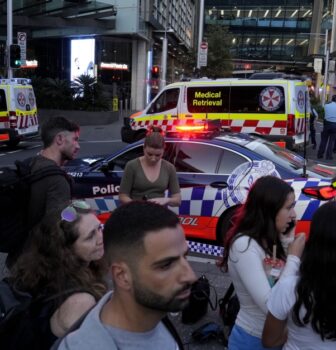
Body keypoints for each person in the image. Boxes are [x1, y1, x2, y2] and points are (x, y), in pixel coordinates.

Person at [56, 201, 197, 350]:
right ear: (122, 276)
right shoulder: (82, 330)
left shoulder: (154, 312)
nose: (191, 276)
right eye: (166, 265)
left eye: (185, 257)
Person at [3, 200, 108, 349]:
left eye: (99, 228)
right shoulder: (80, 301)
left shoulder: (38, 270)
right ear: (67, 250)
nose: (100, 238)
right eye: (90, 236)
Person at [219, 176, 305, 350]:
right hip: (252, 338)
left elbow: (291, 284)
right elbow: (271, 306)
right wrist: (294, 258)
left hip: (281, 336)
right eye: (289, 208)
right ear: (269, 210)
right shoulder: (243, 245)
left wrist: (287, 242)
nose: (294, 214)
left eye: (293, 207)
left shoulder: (273, 238)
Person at [262, 201, 336, 349]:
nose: (293, 214)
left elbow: (270, 340)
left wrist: (293, 259)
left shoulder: (290, 288)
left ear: (314, 240)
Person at [6, 116, 81, 267]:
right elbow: (59, 230)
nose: (78, 146)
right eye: (74, 139)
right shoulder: (57, 180)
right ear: (59, 139)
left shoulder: (32, 163)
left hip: (18, 255)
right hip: (40, 264)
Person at [119, 127, 181, 207]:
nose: (153, 159)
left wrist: (166, 200)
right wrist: (137, 205)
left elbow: (178, 200)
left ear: (163, 150)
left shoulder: (169, 168)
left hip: (159, 214)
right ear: (143, 148)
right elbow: (122, 196)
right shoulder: (132, 166)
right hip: (136, 213)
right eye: (149, 154)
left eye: (158, 155)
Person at [317, 95, 336, 160]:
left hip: (326, 124)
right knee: (331, 141)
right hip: (335, 125)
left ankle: (320, 154)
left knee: (323, 140)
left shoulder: (326, 106)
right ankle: (329, 156)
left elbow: (325, 111)